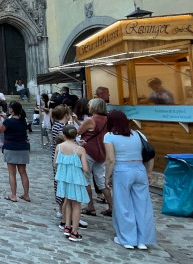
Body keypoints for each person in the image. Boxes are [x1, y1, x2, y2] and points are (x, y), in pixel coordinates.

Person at [103, 110, 156, 250]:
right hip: (139, 169)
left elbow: (110, 159)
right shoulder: (138, 134)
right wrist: (149, 172)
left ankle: (127, 238)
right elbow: (150, 154)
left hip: (122, 170)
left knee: (123, 205)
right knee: (142, 206)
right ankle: (142, 239)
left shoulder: (109, 136)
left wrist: (107, 176)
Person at [78, 98, 113, 217]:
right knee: (102, 181)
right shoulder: (107, 120)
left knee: (85, 180)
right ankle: (111, 206)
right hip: (102, 152)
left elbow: (78, 132)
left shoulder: (91, 120)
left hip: (89, 151)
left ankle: (90, 206)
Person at [54, 125, 90, 242]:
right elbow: (85, 168)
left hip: (64, 179)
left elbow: (55, 163)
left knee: (67, 202)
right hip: (76, 179)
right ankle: (74, 231)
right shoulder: (80, 150)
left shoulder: (59, 147)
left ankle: (67, 226)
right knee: (76, 205)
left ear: (63, 135)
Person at [0, 101, 31, 203]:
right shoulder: (23, 120)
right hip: (23, 147)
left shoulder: (9, 122)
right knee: (23, 172)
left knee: (12, 173)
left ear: (12, 109)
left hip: (11, 147)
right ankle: (26, 194)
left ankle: (13, 195)